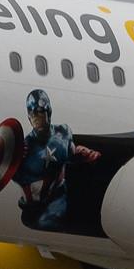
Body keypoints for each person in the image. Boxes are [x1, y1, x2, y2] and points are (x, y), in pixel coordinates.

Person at [15, 88, 99, 230]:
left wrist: (86, 155)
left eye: (39, 112)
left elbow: (70, 153)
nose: (36, 118)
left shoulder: (63, 132)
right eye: (32, 114)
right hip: (32, 208)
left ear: (48, 112)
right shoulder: (23, 148)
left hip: (58, 201)